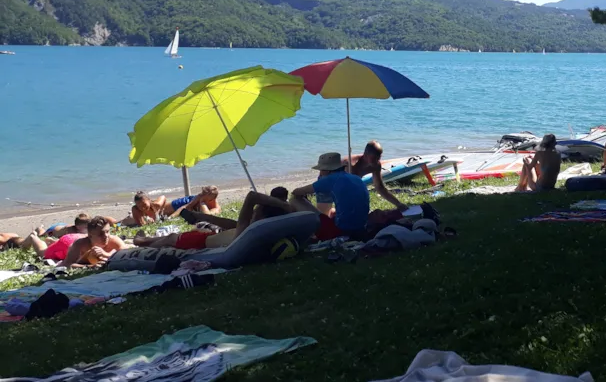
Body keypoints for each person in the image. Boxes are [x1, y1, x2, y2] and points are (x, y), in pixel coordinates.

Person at [138, 188, 300, 250]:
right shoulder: (251, 228)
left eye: (257, 210)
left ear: (261, 214)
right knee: (171, 238)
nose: (254, 211)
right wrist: (200, 216)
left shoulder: (248, 229)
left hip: (201, 242)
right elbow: (230, 224)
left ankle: (142, 242)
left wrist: (283, 205)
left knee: (171, 238)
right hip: (209, 237)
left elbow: (252, 196)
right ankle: (144, 239)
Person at [292, 152, 393, 241]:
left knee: (294, 199)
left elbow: (296, 192)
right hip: (361, 227)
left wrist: (304, 196)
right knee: (332, 210)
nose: (320, 172)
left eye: (321, 170)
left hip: (341, 231)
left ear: (327, 170)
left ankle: (303, 230)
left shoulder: (329, 180)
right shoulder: (355, 178)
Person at [349, 141, 408, 211]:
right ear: (365, 154)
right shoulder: (352, 166)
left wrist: (398, 204)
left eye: (379, 157)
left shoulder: (376, 165)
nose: (376, 161)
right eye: (374, 158)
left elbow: (380, 187)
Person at [57, 217, 130, 268]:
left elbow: (127, 256)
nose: (106, 236)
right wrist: (89, 266)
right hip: (67, 242)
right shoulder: (80, 244)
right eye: (101, 234)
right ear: (90, 235)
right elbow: (67, 264)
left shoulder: (114, 241)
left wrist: (106, 254)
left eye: (107, 231)